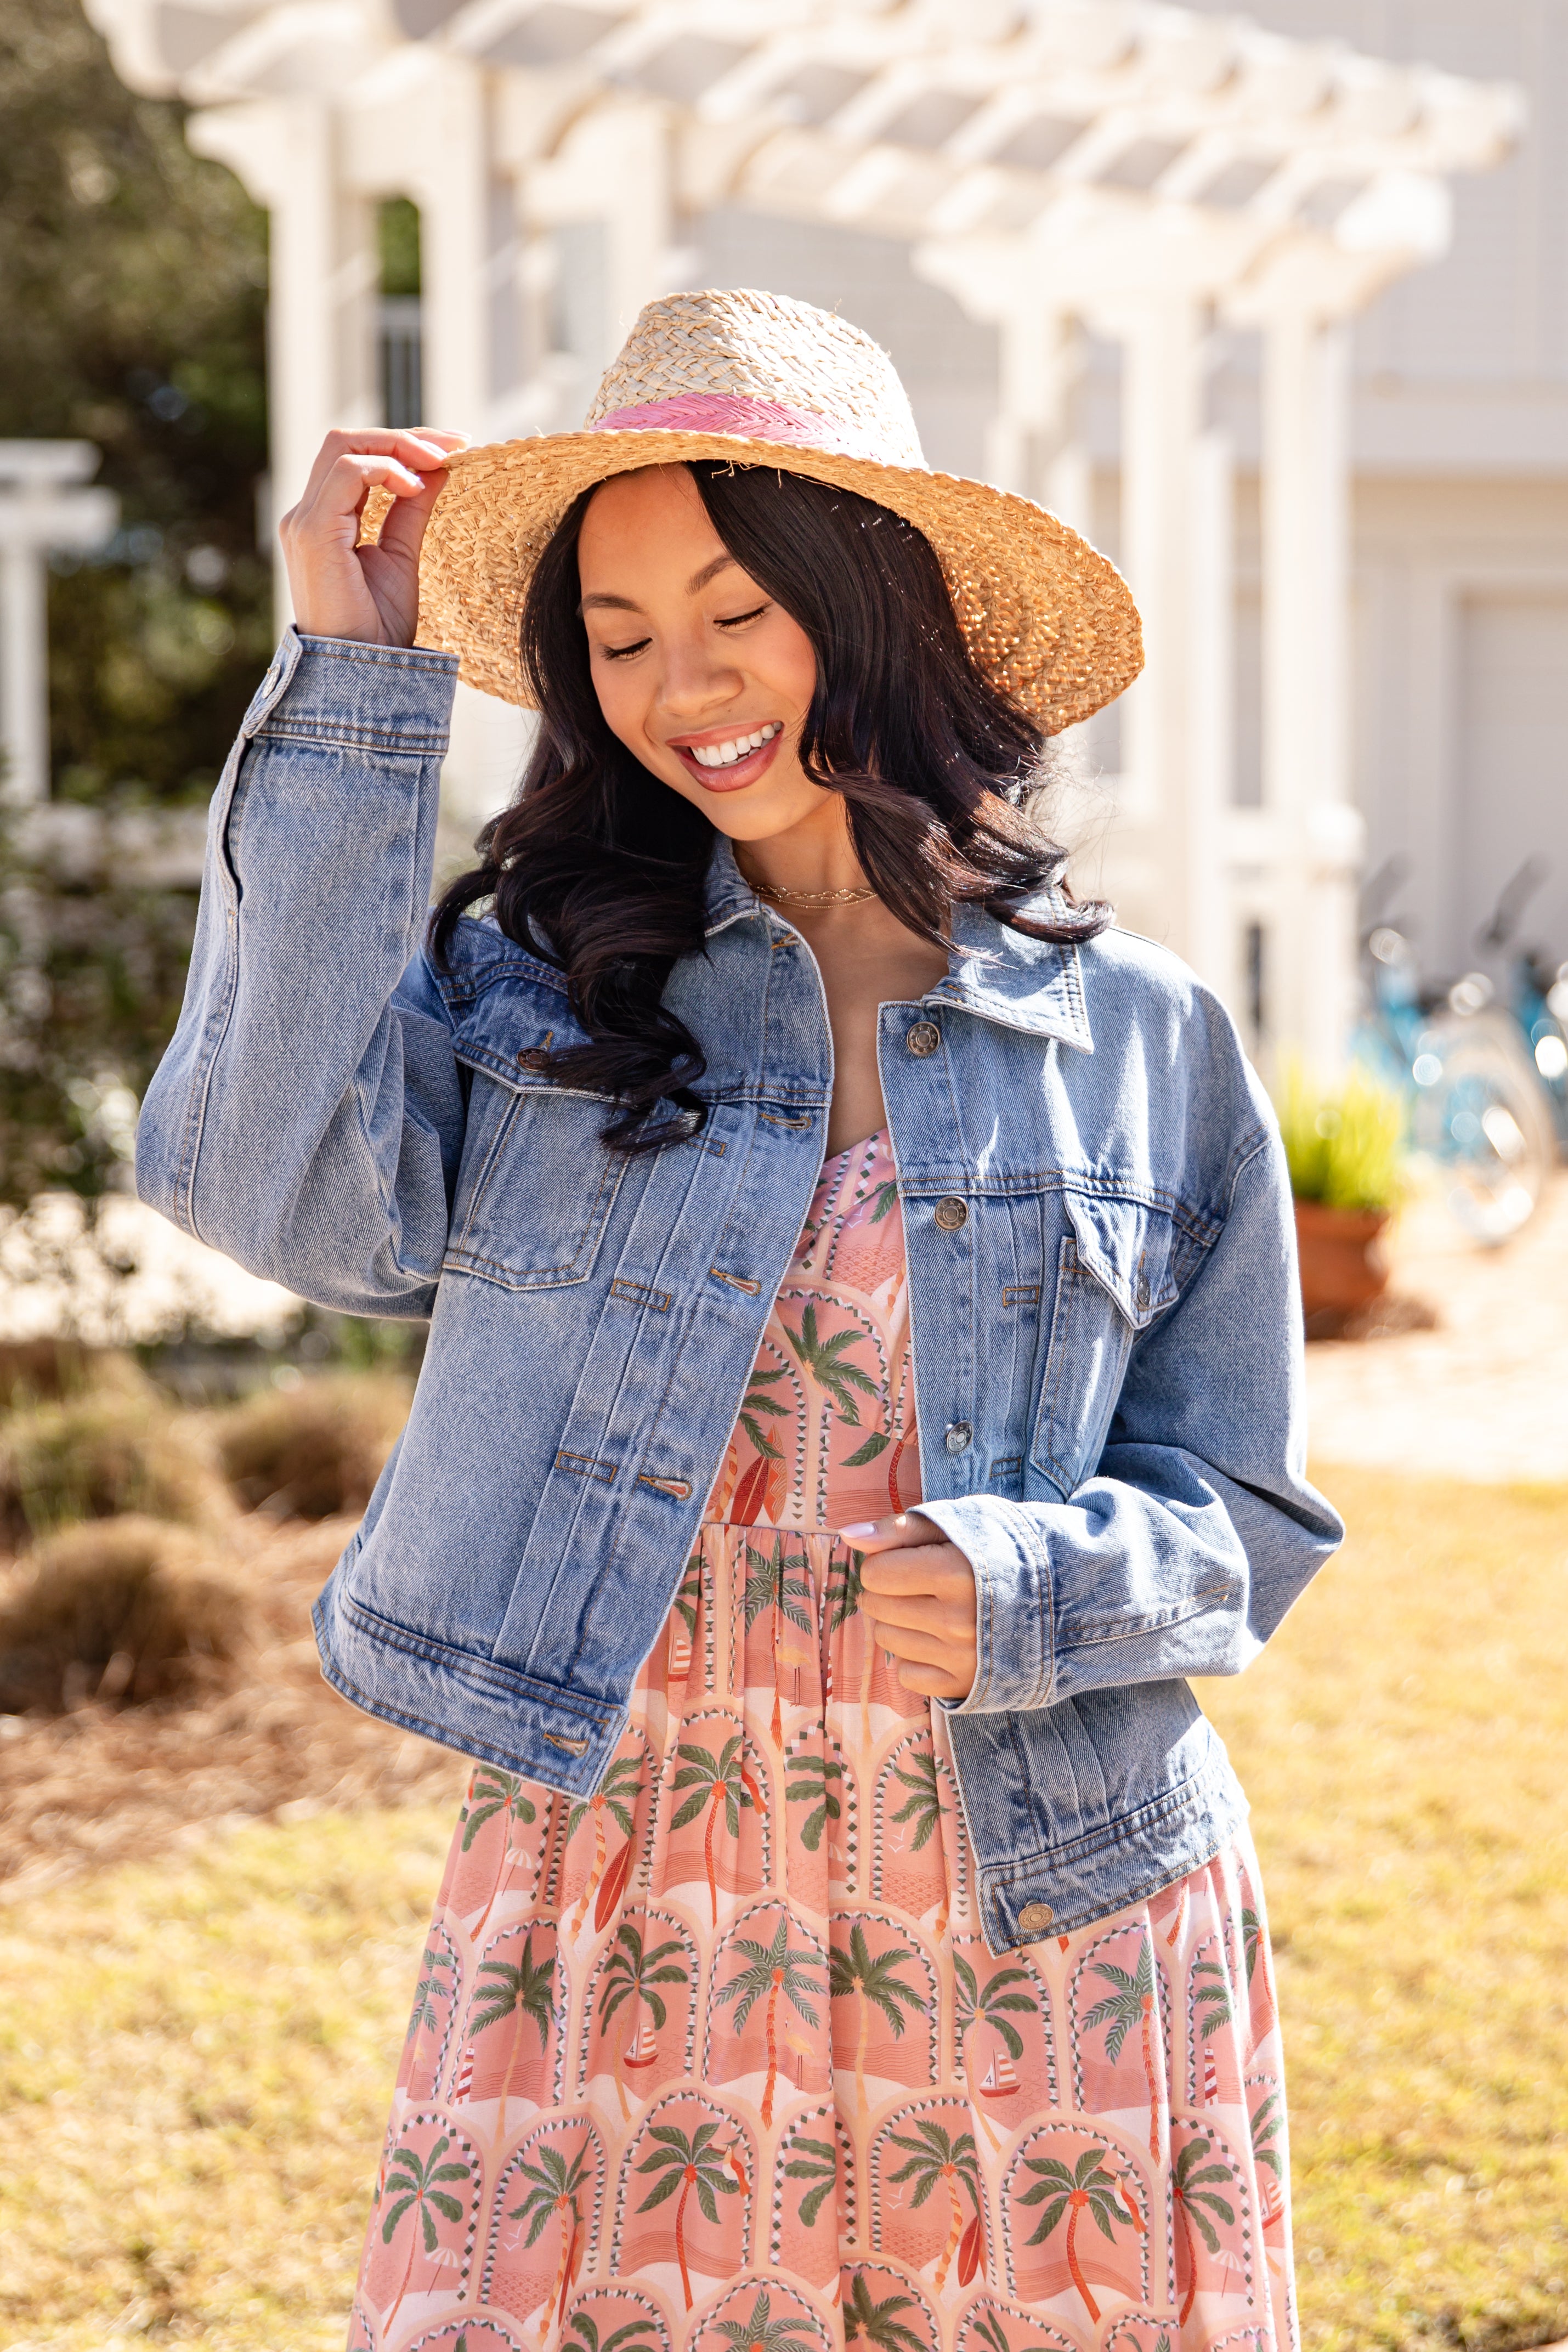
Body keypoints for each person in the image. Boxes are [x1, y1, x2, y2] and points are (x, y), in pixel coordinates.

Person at [138, 288, 1341, 2352]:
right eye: (614, 643)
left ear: (869, 608)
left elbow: (1244, 1507)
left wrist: (1043, 1585)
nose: (679, 686)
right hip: (626, 1892)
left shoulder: (1144, 1041)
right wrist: (348, 669)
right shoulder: (545, 1005)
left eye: (733, 611)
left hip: (1039, 1893)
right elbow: (263, 1190)